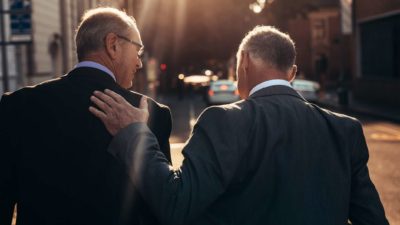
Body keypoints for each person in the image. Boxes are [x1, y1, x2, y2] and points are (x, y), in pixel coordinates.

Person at [90, 26, 389, 225]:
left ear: (243, 61)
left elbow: (176, 205)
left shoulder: (224, 120)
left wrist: (134, 134)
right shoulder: (344, 129)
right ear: (293, 72)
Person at [0, 7, 172, 225]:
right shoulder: (151, 113)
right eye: (137, 51)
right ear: (113, 45)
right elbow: (162, 208)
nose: (139, 63)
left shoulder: (18, 105)